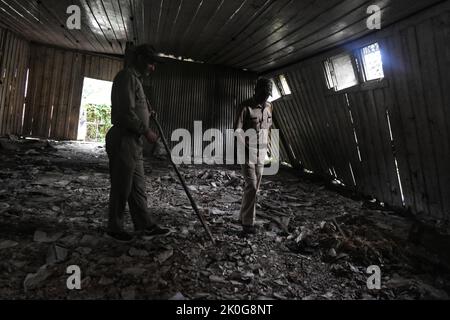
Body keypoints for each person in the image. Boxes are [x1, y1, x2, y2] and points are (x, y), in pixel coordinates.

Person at [105, 44, 170, 242]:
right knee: (121, 187)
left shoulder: (136, 81)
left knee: (137, 187)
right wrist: (146, 130)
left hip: (133, 143)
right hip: (124, 139)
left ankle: (144, 224)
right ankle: (114, 228)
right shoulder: (126, 77)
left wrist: (147, 113)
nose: (153, 68)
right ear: (141, 59)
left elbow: (135, 108)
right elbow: (124, 113)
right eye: (151, 63)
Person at [234, 78, 274, 235]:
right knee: (251, 185)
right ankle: (248, 225)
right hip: (247, 152)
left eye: (268, 95)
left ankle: (242, 217)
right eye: (263, 94)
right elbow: (237, 130)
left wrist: (269, 147)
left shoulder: (269, 107)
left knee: (255, 188)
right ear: (256, 91)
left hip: (261, 152)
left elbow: (268, 129)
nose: (265, 98)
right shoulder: (245, 106)